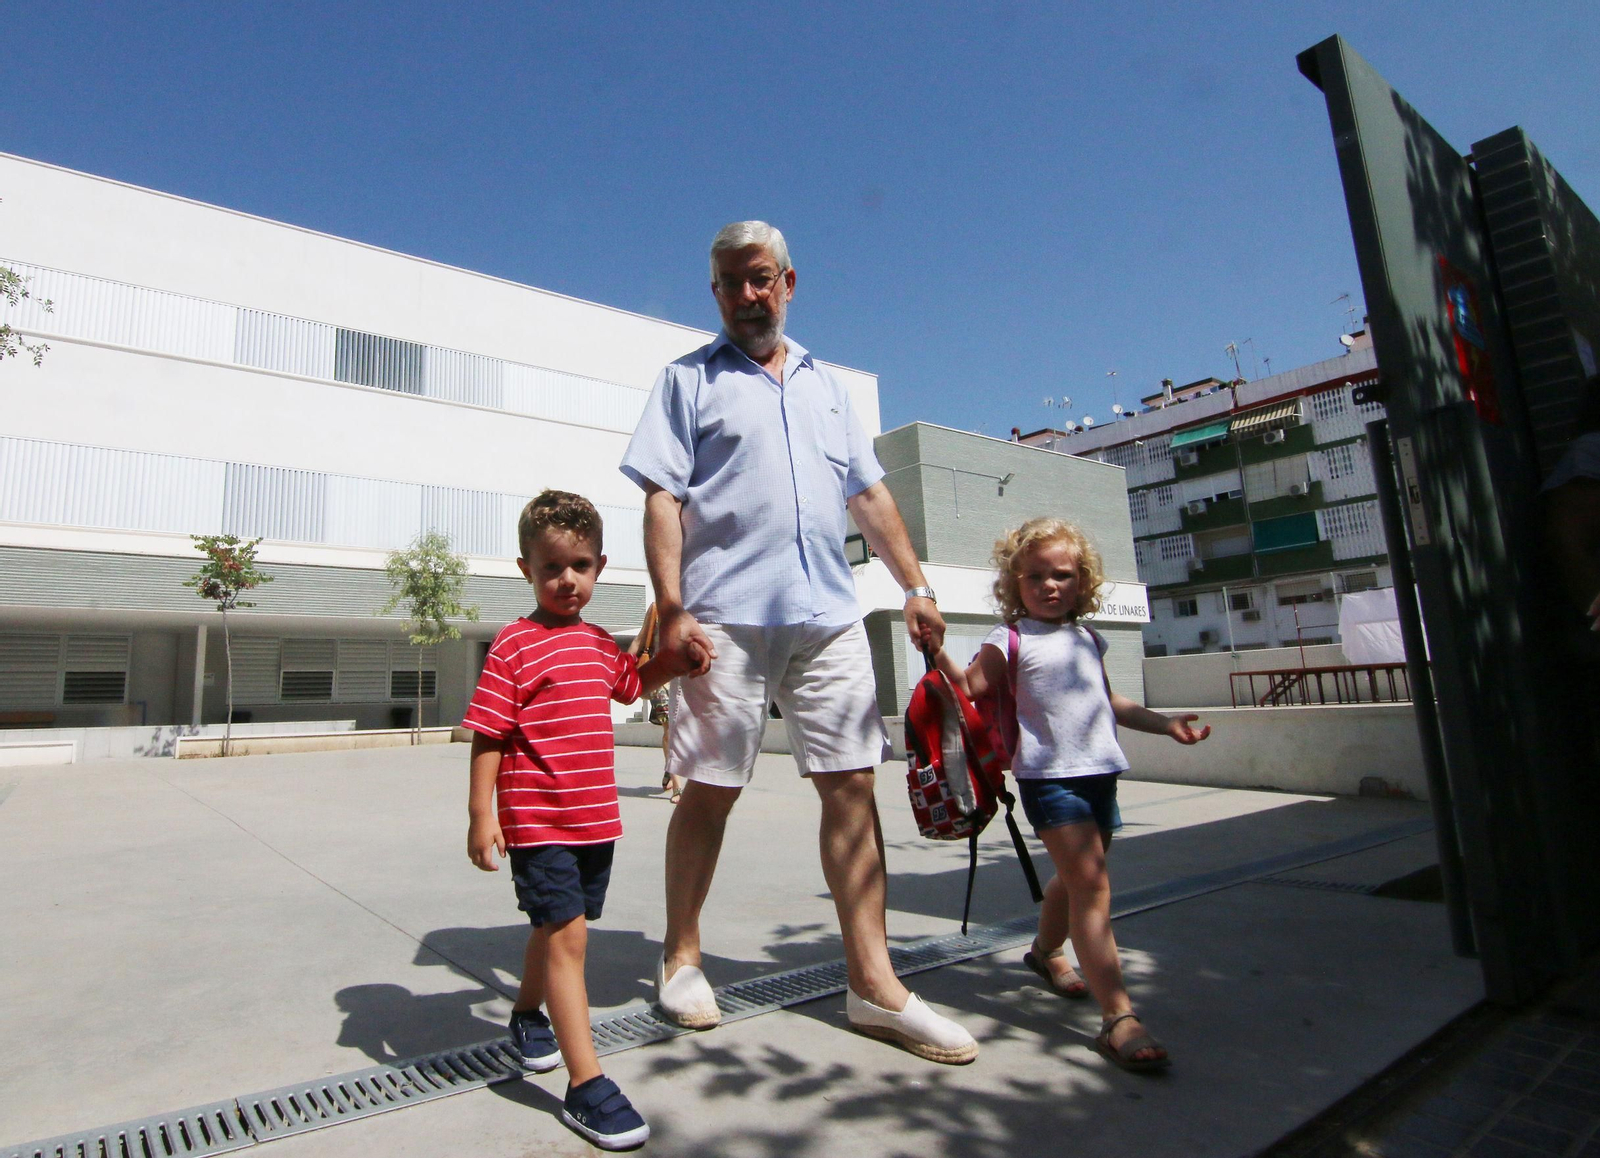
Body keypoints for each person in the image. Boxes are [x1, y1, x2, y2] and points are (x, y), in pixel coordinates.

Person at [618, 220, 978, 1064]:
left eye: (760, 279)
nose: (747, 295)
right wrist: (672, 609)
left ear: (788, 281)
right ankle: (681, 959)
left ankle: (873, 985)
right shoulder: (687, 381)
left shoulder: (824, 386)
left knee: (853, 786)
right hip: (724, 620)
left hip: (829, 615)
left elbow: (871, 495)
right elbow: (661, 501)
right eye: (730, 282)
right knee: (709, 787)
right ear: (715, 292)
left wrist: (917, 588)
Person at [933, 517, 1210, 1073]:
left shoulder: (1087, 637)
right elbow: (968, 688)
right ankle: (1118, 1018)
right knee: (1092, 887)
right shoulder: (1009, 639)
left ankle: (1045, 952)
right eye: (1034, 576)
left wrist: (1165, 724)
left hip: (1101, 774)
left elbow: (1111, 702)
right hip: (1049, 779)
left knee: (1077, 877)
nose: (1049, 585)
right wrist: (937, 647)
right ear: (1015, 585)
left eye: (1061, 574)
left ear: (1082, 581)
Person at [462, 489, 685, 1149]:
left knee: (561, 928)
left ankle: (528, 1013)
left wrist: (675, 659)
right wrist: (482, 813)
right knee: (568, 938)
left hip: (594, 820)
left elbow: (632, 682)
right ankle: (586, 1085)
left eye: (581, 565)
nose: (568, 579)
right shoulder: (515, 645)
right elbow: (487, 735)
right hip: (537, 818)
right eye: (552, 567)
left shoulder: (594, 642)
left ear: (600, 566)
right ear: (526, 568)